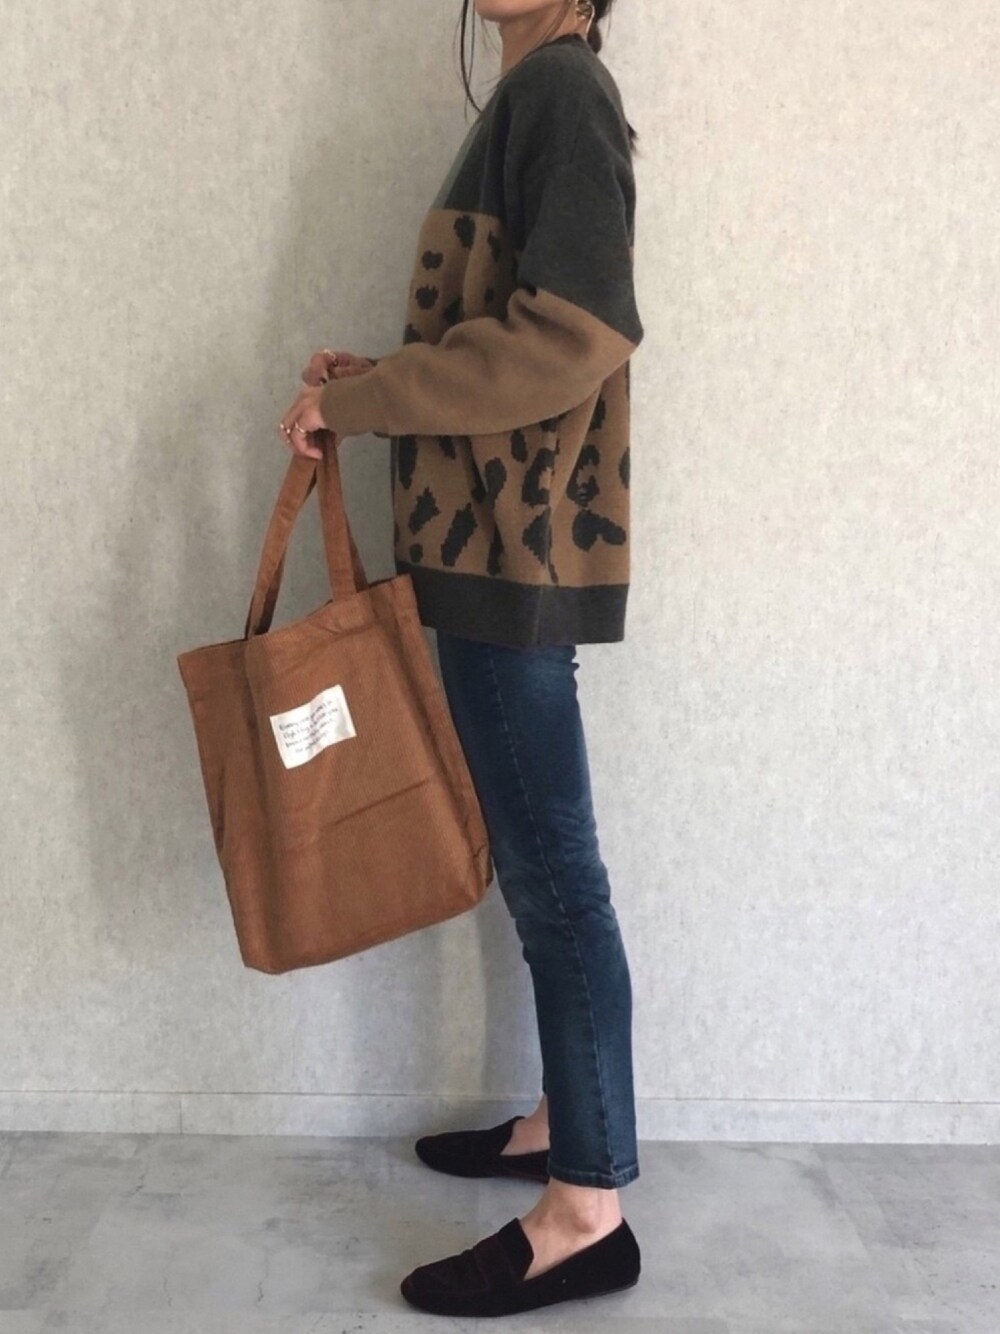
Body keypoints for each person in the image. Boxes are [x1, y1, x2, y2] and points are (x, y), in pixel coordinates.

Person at [278, 0, 643, 1317]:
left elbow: (572, 334)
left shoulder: (561, 94)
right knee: (545, 874)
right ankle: (562, 1124)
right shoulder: (536, 96)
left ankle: (587, 1211)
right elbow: (508, 333)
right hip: (494, 548)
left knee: (557, 882)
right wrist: (385, 374)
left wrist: (367, 399)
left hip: (510, 558)